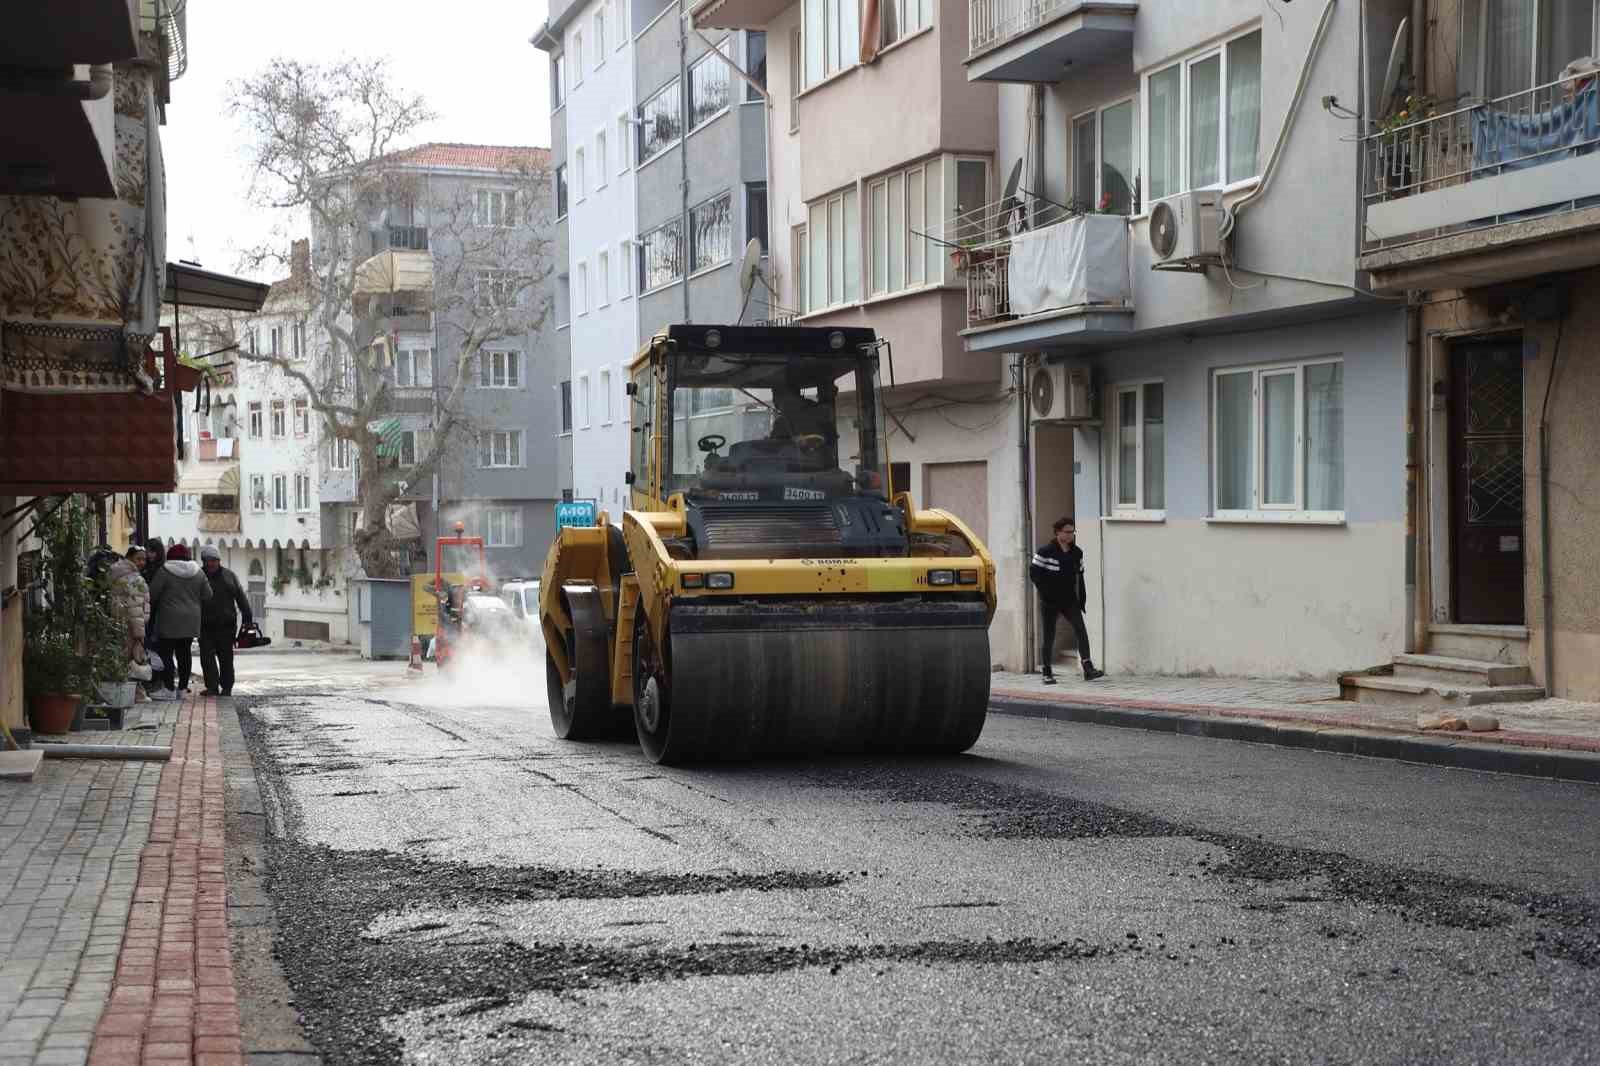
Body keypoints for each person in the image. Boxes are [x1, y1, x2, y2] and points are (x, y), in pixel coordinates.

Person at [1029, 516, 1104, 684]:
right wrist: (1046, 593)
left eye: (1073, 532)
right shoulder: (1045, 551)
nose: (1071, 535)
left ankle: (1088, 668)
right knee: (1049, 635)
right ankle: (1047, 672)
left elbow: (1080, 576)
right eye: (1067, 532)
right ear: (1058, 532)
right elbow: (1034, 573)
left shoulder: (1077, 552)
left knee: (1081, 630)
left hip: (1069, 600)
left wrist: (1081, 598)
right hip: (1050, 601)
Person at [147, 543, 210, 699]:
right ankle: (182, 689)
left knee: (166, 653)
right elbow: (208, 594)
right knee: (185, 654)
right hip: (191, 620)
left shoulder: (164, 571)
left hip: (169, 619)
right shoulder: (199, 572)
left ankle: (168, 688)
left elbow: (152, 594)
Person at [198, 546, 252, 696]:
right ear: (204, 561)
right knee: (206, 657)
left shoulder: (229, 576)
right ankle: (212, 687)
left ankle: (227, 687)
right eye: (209, 561)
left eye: (215, 560)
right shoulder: (199, 576)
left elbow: (240, 596)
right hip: (205, 624)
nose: (212, 564)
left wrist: (247, 617)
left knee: (226, 657)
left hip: (226, 625)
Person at [108, 545, 151, 697]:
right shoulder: (134, 578)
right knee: (133, 660)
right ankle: (133, 693)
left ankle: (121, 692)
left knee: (120, 659)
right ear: (129, 557)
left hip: (116, 622)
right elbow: (136, 609)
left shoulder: (115, 572)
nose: (142, 562)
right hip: (131, 627)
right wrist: (140, 634)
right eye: (138, 559)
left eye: (144, 560)